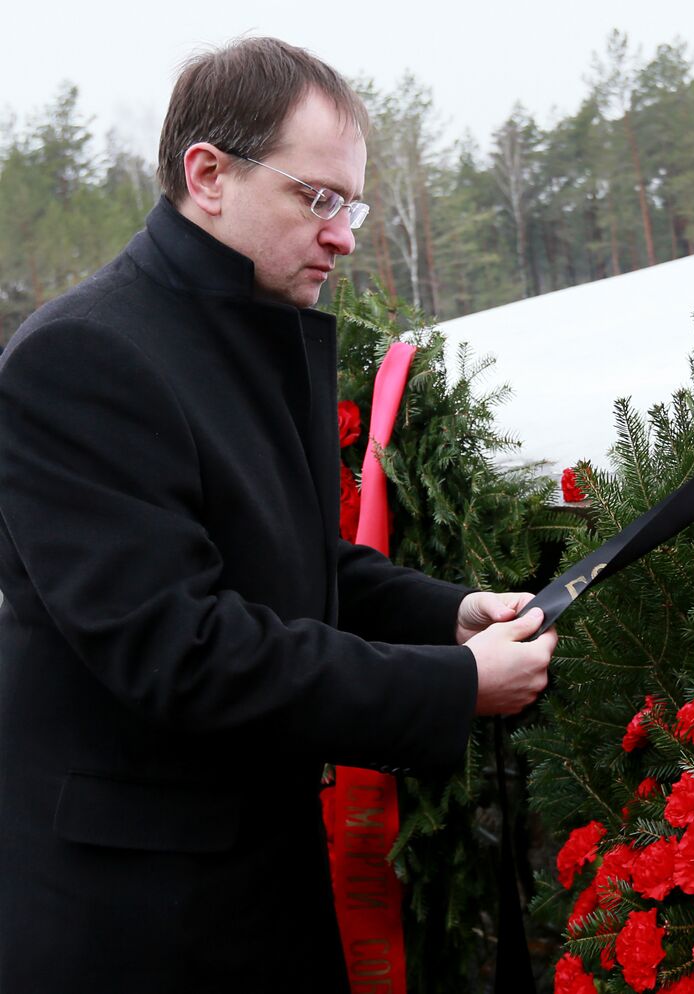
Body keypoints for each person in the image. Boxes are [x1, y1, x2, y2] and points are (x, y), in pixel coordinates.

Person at [0, 37, 557, 991]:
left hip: (255, 881)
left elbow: (297, 563)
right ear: (208, 175)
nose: (344, 234)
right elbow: (184, 646)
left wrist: (449, 613)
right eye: (319, 198)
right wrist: (453, 685)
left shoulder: (254, 328)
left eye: (353, 204)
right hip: (134, 915)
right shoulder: (82, 358)